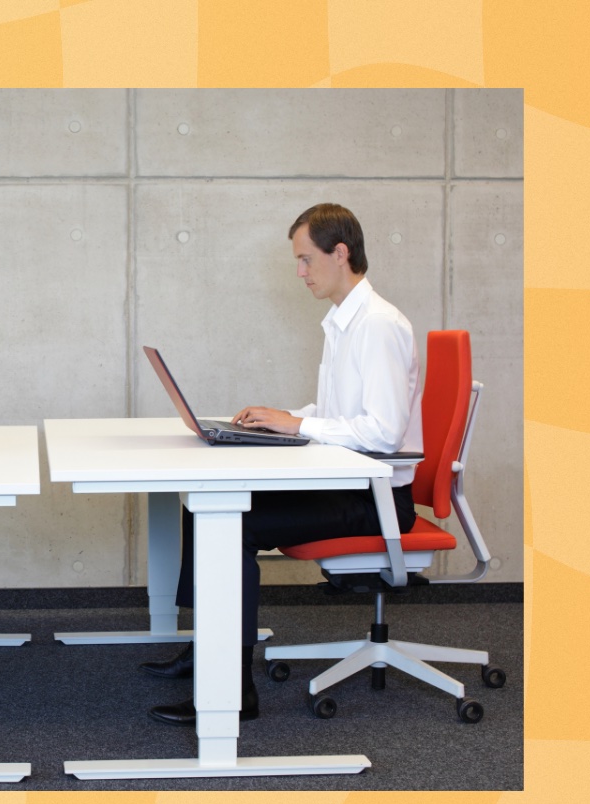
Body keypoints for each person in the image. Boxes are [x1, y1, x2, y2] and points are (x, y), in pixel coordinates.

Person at [140, 203, 422, 725]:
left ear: (341, 254)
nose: (300, 273)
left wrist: (300, 426)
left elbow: (383, 432)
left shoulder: (379, 325)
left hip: (376, 501)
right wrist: (287, 417)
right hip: (348, 485)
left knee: (234, 521)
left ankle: (233, 689)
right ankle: (208, 647)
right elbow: (344, 414)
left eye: (306, 259)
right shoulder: (344, 322)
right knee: (203, 504)